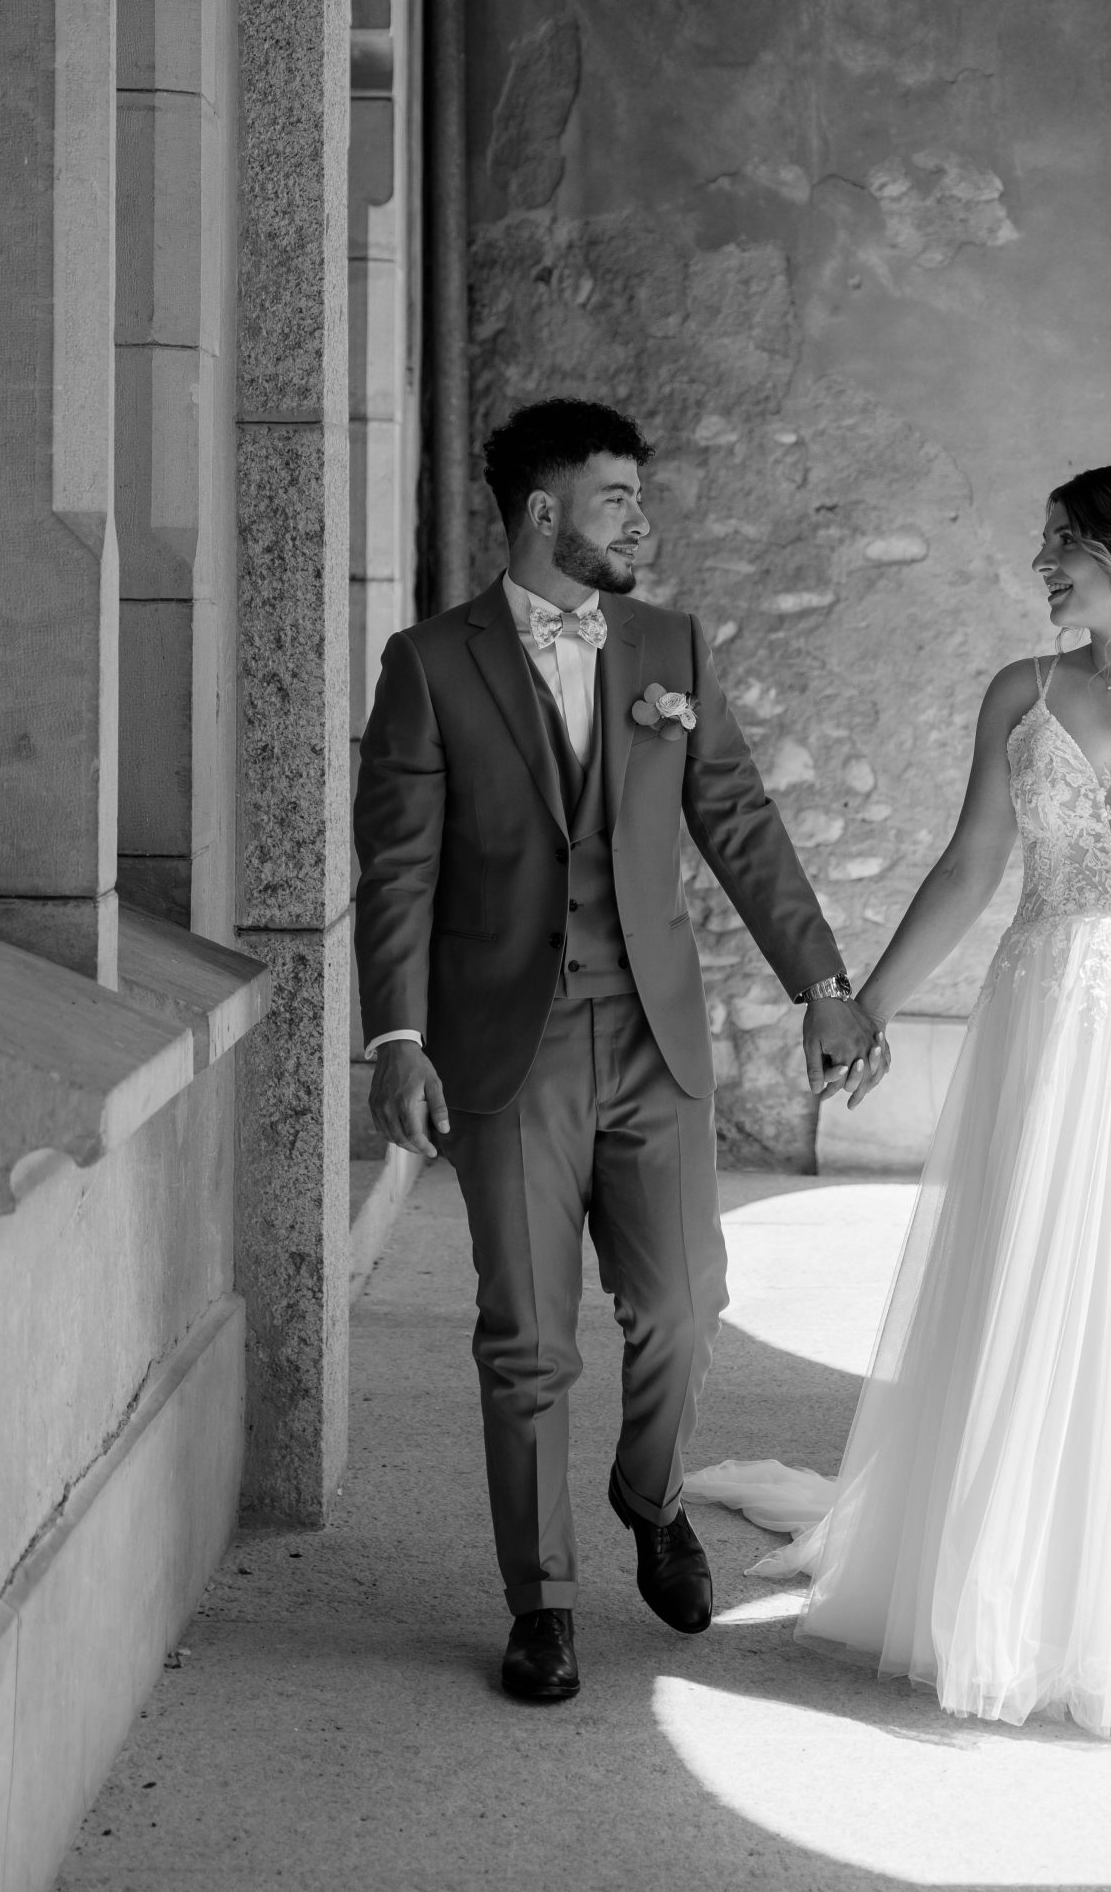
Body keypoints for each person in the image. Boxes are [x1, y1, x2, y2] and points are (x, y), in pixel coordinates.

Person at [689, 448, 1111, 1734]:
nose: (1040, 563)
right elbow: (968, 867)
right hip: (1050, 1021)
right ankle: (1017, 1596)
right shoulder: (1022, 691)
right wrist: (866, 1005)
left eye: (1061, 544)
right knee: (1038, 1288)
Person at [353, 396, 880, 1705]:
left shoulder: (668, 647)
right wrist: (398, 1035)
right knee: (528, 1336)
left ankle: (650, 1499)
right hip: (505, 1047)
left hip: (653, 1034)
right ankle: (541, 1602)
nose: (644, 522)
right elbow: (399, 867)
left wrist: (822, 982)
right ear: (545, 514)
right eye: (617, 500)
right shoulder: (430, 663)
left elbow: (739, 821)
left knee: (685, 1302)